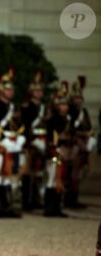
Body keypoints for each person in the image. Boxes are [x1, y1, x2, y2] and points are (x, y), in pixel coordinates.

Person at [0, 67, 24, 218]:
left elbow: (20, 125)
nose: (11, 92)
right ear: (1, 90)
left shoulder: (14, 107)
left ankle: (6, 206)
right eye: (8, 90)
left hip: (13, 144)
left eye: (12, 90)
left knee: (7, 176)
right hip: (0, 144)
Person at [66, 76, 95, 209]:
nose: (78, 100)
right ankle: (68, 199)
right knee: (71, 172)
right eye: (75, 98)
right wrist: (82, 134)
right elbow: (69, 129)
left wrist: (89, 134)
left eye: (79, 98)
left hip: (84, 144)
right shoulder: (70, 112)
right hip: (74, 143)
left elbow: (88, 126)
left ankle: (75, 198)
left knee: (78, 173)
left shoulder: (83, 112)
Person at [20, 69, 47, 212]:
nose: (39, 93)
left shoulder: (43, 107)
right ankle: (26, 201)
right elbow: (24, 125)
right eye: (36, 91)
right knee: (28, 171)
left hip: (42, 140)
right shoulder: (26, 106)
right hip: (30, 141)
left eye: (40, 91)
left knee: (39, 172)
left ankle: (36, 198)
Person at [43, 81, 70, 217]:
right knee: (53, 178)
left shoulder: (64, 119)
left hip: (61, 151)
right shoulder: (53, 119)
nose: (65, 107)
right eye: (63, 104)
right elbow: (51, 137)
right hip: (53, 152)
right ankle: (49, 208)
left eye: (66, 104)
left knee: (58, 179)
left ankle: (56, 207)